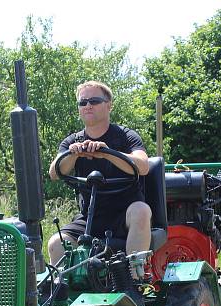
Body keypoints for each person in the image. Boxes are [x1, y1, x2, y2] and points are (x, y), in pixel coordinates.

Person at [48, 81, 150, 266]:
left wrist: (107, 153)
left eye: (94, 101)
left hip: (124, 216)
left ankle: (136, 281)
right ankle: (64, 290)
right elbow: (54, 173)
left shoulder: (126, 136)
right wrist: (72, 154)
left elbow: (143, 166)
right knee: (56, 243)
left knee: (141, 210)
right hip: (89, 218)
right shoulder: (72, 141)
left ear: (109, 105)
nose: (88, 105)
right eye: (83, 102)